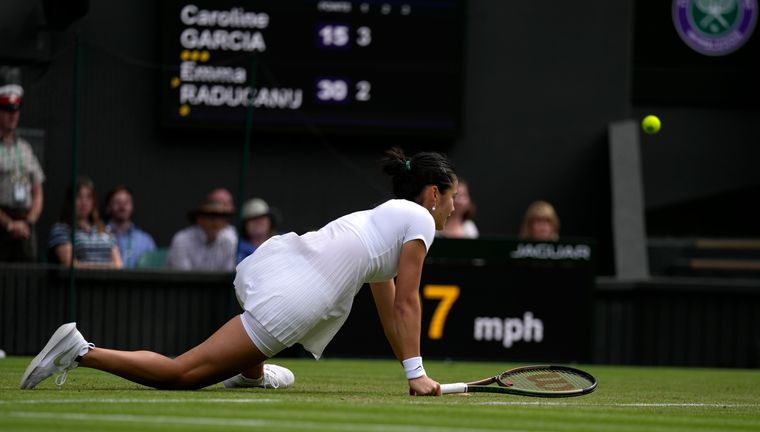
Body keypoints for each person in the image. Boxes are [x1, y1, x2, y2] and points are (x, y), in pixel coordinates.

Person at [20, 147, 457, 396]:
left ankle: (251, 372)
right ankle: (81, 350)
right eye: (451, 197)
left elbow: (388, 307)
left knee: (234, 355)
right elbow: (408, 301)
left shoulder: (386, 216)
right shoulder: (418, 220)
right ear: (434, 193)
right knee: (182, 376)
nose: (454, 208)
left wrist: (410, 368)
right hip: (298, 294)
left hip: (287, 264)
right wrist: (417, 376)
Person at [0, 70, 45, 262]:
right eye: (8, 110)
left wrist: (29, 221)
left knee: (27, 276)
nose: (13, 115)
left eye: (16, 110)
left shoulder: (25, 148)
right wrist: (9, 224)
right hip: (2, 220)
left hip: (25, 221)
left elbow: (37, 191)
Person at [48, 176, 123, 268]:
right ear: (70, 200)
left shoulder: (104, 228)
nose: (84, 202)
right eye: (79, 196)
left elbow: (118, 264)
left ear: (93, 201)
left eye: (89, 197)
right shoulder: (61, 229)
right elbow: (71, 264)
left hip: (109, 281)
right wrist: (107, 267)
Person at [165, 191, 238, 271]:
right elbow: (183, 278)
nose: (217, 222)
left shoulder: (230, 242)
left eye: (221, 217)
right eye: (211, 217)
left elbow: (228, 275)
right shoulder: (182, 240)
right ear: (199, 219)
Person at [104, 185, 157, 268]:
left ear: (132, 206)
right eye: (117, 202)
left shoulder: (145, 241)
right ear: (108, 207)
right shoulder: (99, 236)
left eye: (126, 202)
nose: (122, 207)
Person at [237, 197, 280, 263]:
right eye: (253, 219)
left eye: (262, 217)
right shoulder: (237, 248)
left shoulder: (283, 240)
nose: (258, 222)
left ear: (270, 221)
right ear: (245, 225)